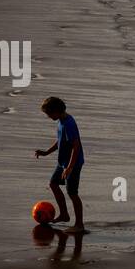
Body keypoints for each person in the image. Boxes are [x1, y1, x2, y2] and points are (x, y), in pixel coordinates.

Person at [34, 96, 86, 232]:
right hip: (62, 163)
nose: (48, 117)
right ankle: (64, 214)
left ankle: (79, 224)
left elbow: (76, 146)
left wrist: (70, 167)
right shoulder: (61, 121)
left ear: (57, 111)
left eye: (49, 114)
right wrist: (46, 152)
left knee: (72, 193)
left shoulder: (69, 123)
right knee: (53, 184)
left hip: (73, 164)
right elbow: (60, 141)